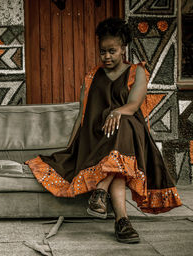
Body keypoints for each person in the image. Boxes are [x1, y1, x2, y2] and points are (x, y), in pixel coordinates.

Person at [26, 17, 182, 244]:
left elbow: (134, 104)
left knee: (124, 123)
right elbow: (82, 115)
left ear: (123, 49)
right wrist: (72, 148)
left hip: (129, 135)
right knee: (116, 163)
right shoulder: (91, 77)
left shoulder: (136, 72)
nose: (107, 56)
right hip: (97, 138)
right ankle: (122, 221)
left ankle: (101, 191)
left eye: (112, 51)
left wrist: (117, 112)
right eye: (103, 52)